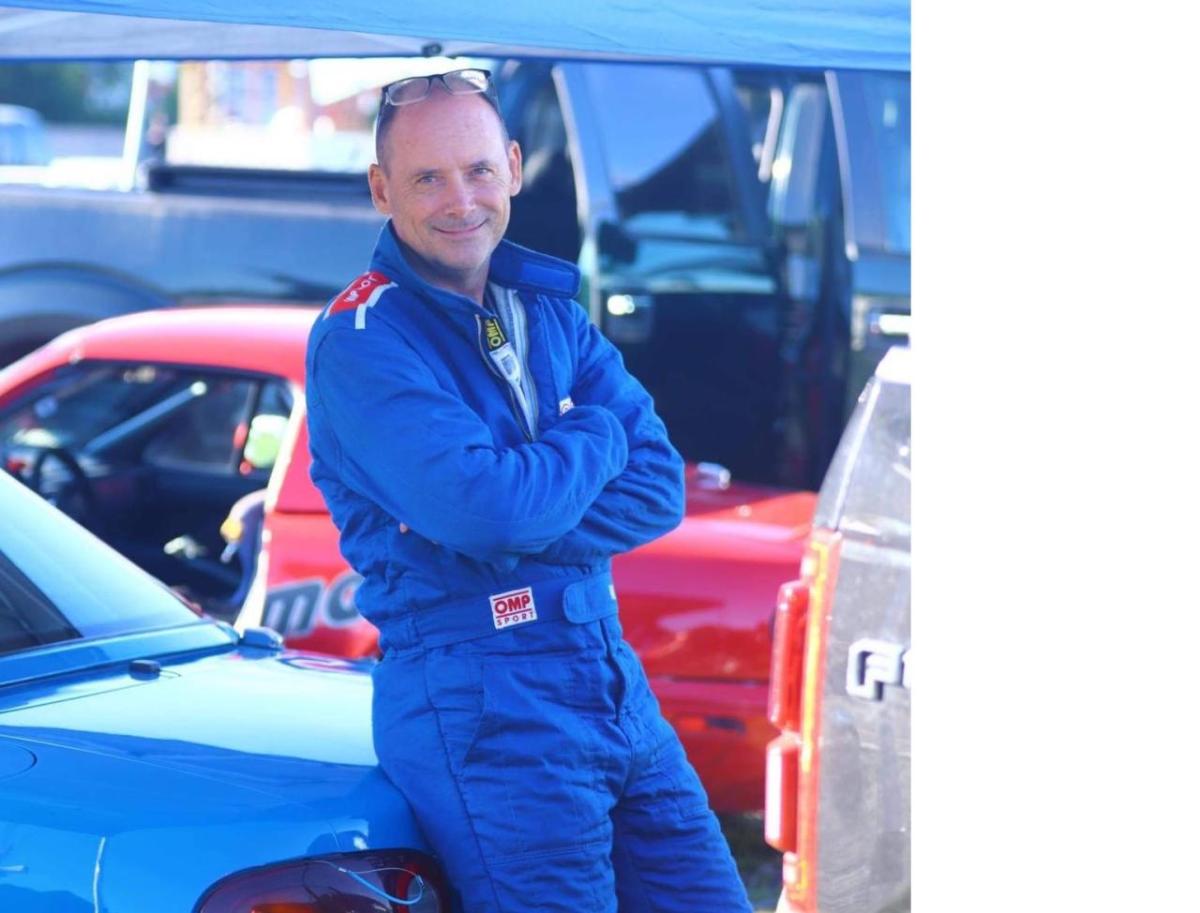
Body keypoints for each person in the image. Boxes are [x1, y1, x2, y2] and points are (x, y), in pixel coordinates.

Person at [305, 68, 752, 913]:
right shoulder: (362, 341)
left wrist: (519, 509)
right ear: (380, 189)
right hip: (484, 700)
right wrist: (594, 434)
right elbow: (488, 510)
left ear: (513, 164)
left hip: (608, 669)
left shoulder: (548, 308)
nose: (459, 198)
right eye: (427, 177)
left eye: (477, 169)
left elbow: (658, 488)